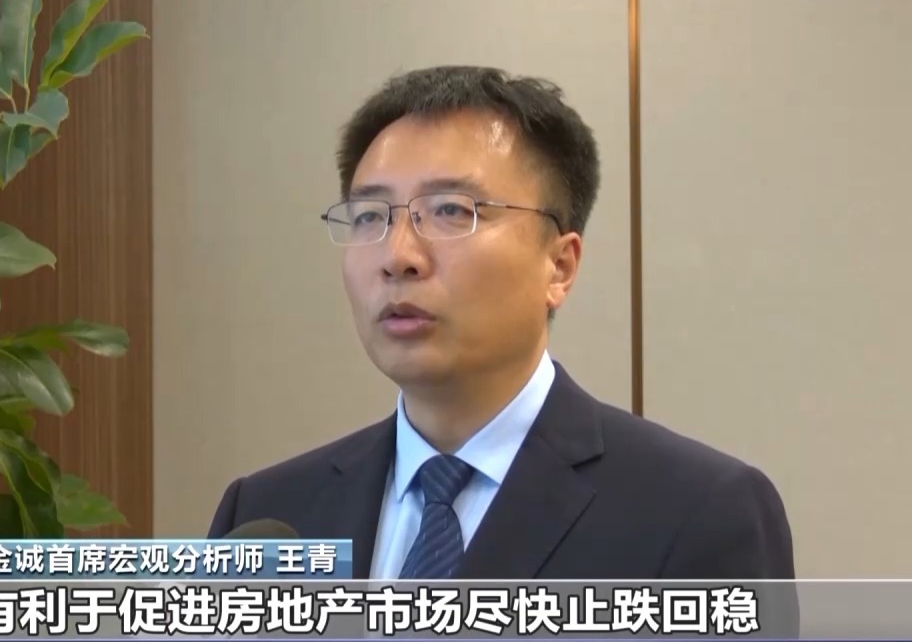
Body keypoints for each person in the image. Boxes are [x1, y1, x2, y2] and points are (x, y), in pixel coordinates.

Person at [207, 66, 796, 583]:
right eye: (369, 216)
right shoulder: (265, 516)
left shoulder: (698, 513)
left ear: (559, 266)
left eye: (450, 210)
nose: (398, 255)